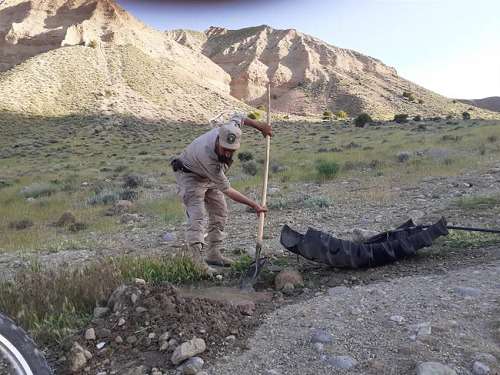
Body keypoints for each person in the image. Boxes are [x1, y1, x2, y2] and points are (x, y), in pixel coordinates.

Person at [171, 113, 272, 273]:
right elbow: (227, 190)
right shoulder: (208, 155)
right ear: (218, 140)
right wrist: (254, 205)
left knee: (220, 211)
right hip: (189, 175)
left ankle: (213, 254)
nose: (227, 154)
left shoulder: (231, 130)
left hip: (207, 176)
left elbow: (239, 117)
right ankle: (197, 263)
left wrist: (260, 126)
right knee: (198, 214)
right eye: (224, 149)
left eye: (231, 151)